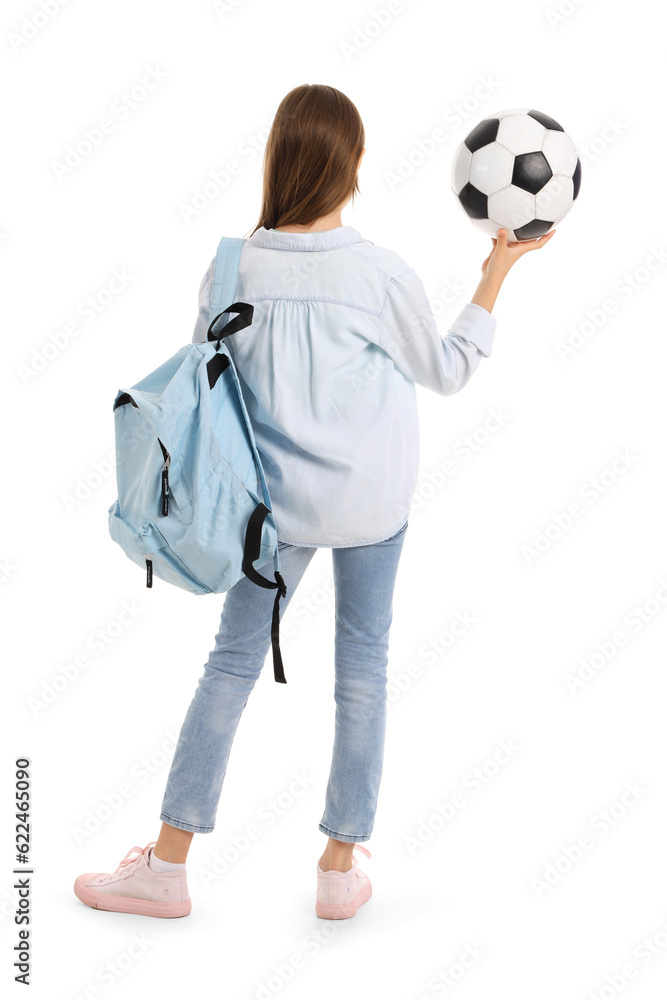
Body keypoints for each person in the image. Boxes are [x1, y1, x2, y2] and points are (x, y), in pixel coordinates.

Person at [73, 84, 555, 921]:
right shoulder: (379, 272)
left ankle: (167, 865)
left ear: (280, 160)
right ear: (352, 166)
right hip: (373, 503)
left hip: (269, 514)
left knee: (229, 666)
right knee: (362, 670)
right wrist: (496, 272)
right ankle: (338, 872)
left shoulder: (230, 267)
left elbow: (206, 385)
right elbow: (445, 373)